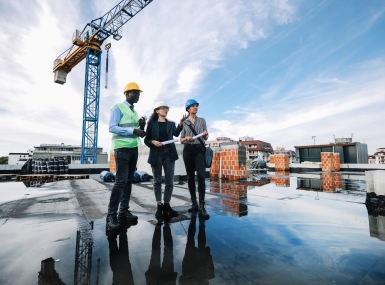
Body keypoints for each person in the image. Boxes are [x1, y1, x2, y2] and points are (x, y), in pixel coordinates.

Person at [106, 82, 146, 231]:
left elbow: (137, 130)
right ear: (126, 94)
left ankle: (123, 211)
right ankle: (111, 215)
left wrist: (142, 126)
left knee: (129, 180)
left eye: (139, 93)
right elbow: (112, 127)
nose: (137, 95)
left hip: (133, 148)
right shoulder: (118, 107)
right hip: (122, 148)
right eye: (134, 93)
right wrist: (133, 131)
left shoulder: (134, 112)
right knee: (121, 181)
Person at [144, 101, 188, 220]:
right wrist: (152, 142)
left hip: (169, 154)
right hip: (156, 154)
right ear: (157, 110)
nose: (165, 110)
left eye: (167, 108)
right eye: (163, 108)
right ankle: (159, 205)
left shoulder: (171, 124)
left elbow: (175, 134)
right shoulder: (151, 124)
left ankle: (167, 205)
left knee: (170, 182)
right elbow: (146, 139)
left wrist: (180, 124)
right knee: (157, 181)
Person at [180, 99, 210, 219]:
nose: (195, 107)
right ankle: (194, 204)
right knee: (190, 177)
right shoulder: (184, 123)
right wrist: (187, 138)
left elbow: (206, 137)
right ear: (188, 109)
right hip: (188, 150)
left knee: (201, 176)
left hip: (199, 150)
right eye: (192, 106)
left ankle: (202, 205)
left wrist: (206, 135)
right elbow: (181, 140)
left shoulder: (202, 120)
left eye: (196, 106)